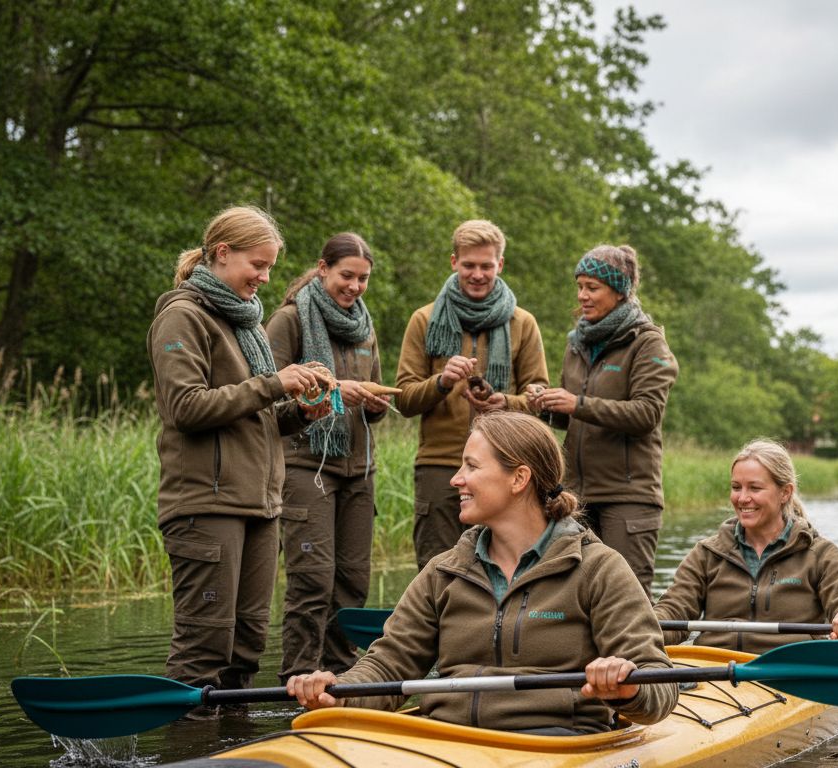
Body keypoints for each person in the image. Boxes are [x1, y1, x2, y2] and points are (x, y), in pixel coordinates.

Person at [286, 411, 677, 734]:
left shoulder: (598, 568)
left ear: (519, 479)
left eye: (471, 466)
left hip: (554, 743)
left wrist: (626, 686)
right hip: (445, 738)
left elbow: (659, 685)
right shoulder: (445, 572)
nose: (456, 479)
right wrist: (339, 690)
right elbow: (388, 666)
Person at [147, 205, 325, 702]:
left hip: (259, 506)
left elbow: (252, 417)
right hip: (206, 505)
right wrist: (274, 384)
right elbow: (185, 407)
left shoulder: (243, 322)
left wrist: (300, 413)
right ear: (222, 254)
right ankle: (189, 751)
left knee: (246, 647)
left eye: (270, 267)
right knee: (203, 650)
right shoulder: (182, 316)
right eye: (258, 265)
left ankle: (233, 748)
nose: (265, 278)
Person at [265, 232, 391, 682]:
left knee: (352, 583)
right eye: (346, 276)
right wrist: (336, 389)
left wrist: (373, 405)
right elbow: (268, 396)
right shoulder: (288, 321)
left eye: (363, 278)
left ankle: (340, 676)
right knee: (312, 580)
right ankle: (296, 678)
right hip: (305, 465)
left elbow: (370, 398)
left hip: (359, 470)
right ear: (322, 269)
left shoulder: (365, 326)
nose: (355, 286)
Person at [394, 220, 548, 571]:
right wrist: (441, 382)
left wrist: (505, 403)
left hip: (504, 467)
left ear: (500, 265)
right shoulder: (424, 319)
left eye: (486, 266)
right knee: (436, 569)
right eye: (469, 265)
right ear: (453, 262)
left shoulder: (522, 323)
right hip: (439, 465)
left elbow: (539, 398)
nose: (477, 274)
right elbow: (402, 399)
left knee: (504, 567)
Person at [532, 244, 677, 593]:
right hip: (576, 496)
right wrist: (548, 406)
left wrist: (577, 403)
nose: (582, 295)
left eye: (592, 287)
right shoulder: (577, 343)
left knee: (625, 597)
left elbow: (646, 414)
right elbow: (574, 417)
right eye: (579, 286)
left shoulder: (648, 343)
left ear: (620, 291)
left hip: (629, 497)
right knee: (575, 595)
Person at [652, 439, 838, 653]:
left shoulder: (820, 555)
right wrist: (644, 624)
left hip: (789, 671)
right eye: (736, 487)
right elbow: (674, 610)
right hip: (714, 670)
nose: (742, 498)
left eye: (754, 488)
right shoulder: (707, 553)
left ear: (785, 493)